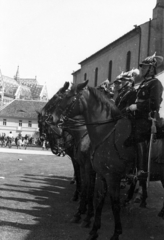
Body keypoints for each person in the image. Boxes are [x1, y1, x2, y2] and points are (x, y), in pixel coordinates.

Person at [126, 52, 164, 178]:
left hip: (148, 119)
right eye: (142, 67)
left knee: (138, 134)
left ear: (151, 69)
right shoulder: (143, 84)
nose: (141, 69)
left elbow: (155, 103)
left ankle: (141, 169)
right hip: (138, 117)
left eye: (145, 67)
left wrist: (137, 106)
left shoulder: (155, 83)